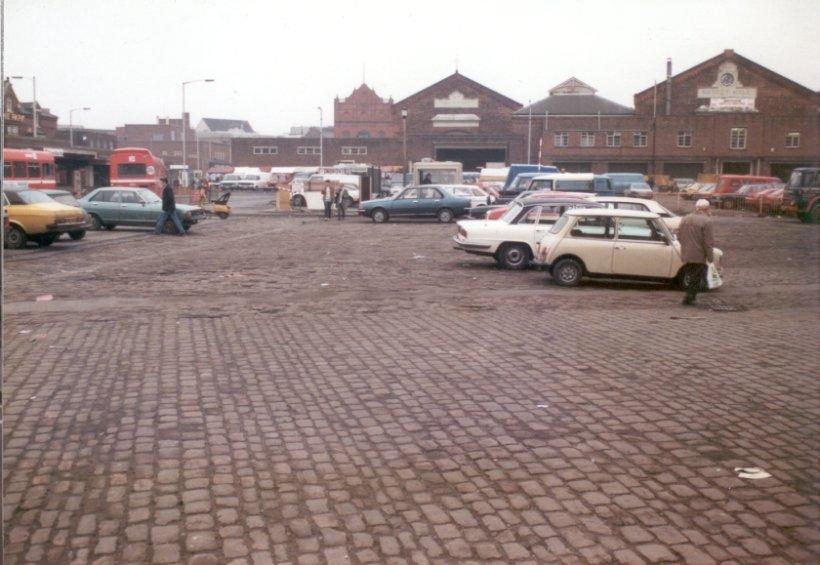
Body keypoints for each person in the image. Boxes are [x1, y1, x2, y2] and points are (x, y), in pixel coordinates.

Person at [678, 198, 715, 305]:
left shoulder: (685, 218)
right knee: (696, 277)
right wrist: (710, 257)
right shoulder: (707, 221)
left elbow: (679, 236)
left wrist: (685, 246)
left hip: (686, 252)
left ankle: (690, 297)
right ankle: (689, 297)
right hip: (699, 254)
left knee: (690, 274)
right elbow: (708, 242)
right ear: (707, 209)